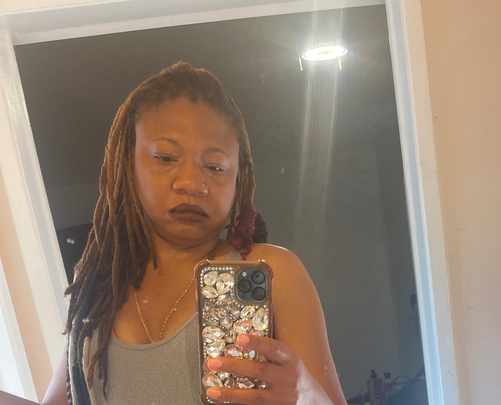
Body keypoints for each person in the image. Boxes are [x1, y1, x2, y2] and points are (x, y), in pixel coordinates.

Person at [14, 61, 345, 405]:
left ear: (239, 175)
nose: (191, 183)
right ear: (128, 163)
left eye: (215, 166)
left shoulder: (277, 273)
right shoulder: (97, 284)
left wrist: (307, 395)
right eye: (165, 157)